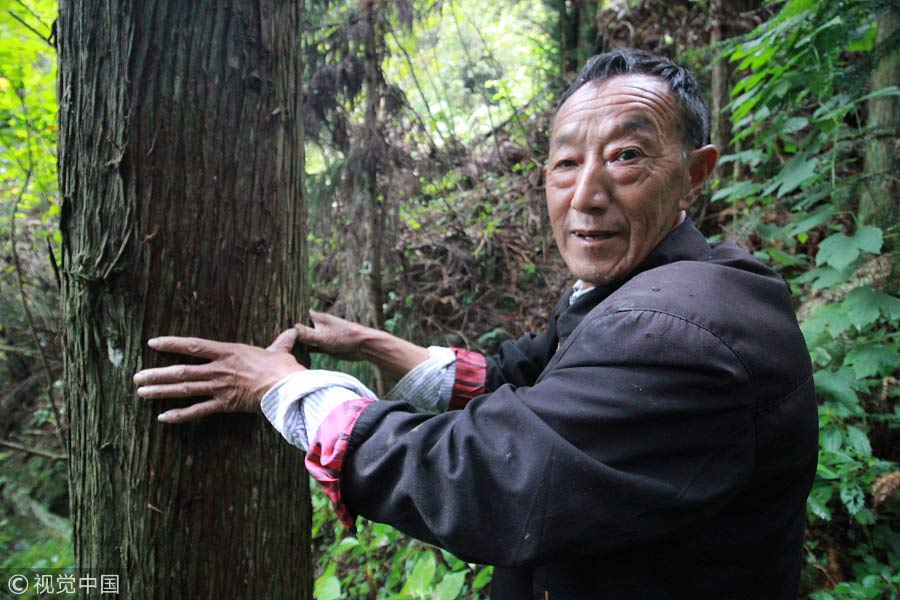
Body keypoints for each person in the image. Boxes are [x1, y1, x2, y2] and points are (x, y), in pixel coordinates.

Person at [133, 49, 818, 599]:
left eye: (626, 156)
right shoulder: (651, 283)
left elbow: (485, 479)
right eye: (567, 163)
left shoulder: (677, 328)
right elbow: (534, 375)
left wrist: (283, 389)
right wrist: (374, 345)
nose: (587, 195)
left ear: (694, 174)